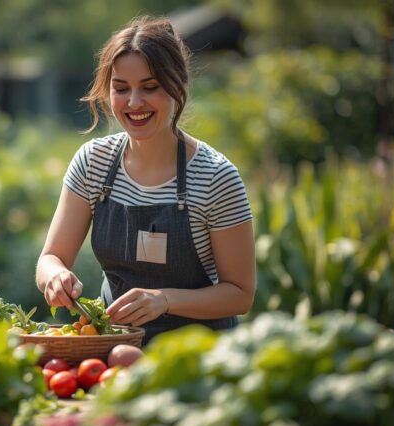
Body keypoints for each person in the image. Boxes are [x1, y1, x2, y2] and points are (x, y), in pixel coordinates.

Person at [35, 15, 256, 345]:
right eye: (121, 88)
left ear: (178, 86)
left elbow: (240, 294)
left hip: (199, 358)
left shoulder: (216, 177)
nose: (134, 102)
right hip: (116, 349)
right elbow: (50, 258)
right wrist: (55, 276)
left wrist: (164, 299)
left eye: (150, 87)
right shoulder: (93, 162)